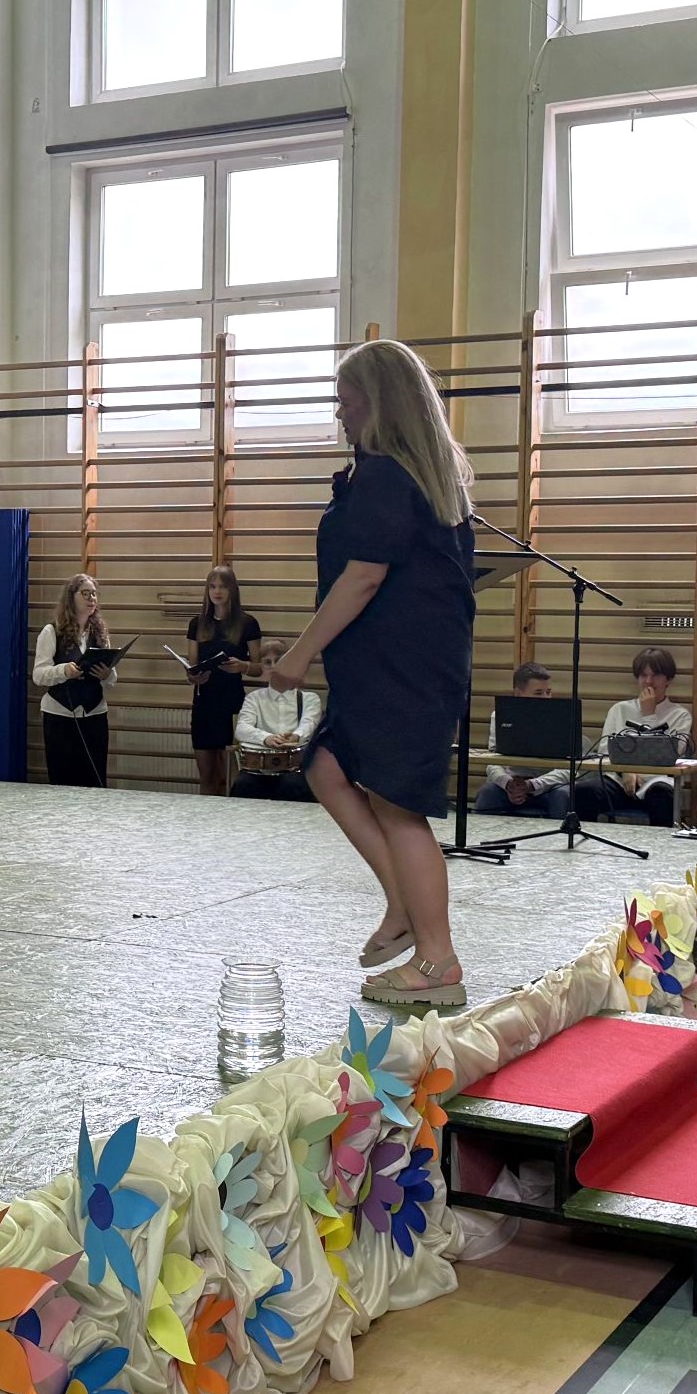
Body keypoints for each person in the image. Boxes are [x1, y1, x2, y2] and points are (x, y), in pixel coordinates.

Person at [271, 339, 475, 1007]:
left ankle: (437, 959)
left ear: (378, 402)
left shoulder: (391, 476)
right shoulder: (405, 476)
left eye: (347, 400)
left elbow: (363, 576)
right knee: (326, 766)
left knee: (396, 804)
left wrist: (299, 653)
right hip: (386, 664)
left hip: (401, 669)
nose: (340, 412)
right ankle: (403, 904)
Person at [572, 647, 695, 827]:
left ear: (668, 679)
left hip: (656, 781)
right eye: (643, 675)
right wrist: (625, 771)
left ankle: (659, 844)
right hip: (620, 781)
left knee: (663, 796)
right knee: (584, 791)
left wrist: (648, 714)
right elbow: (605, 751)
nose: (649, 681)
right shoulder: (619, 709)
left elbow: (667, 755)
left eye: (655, 675)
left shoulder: (680, 715)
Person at [184, 564, 262, 795]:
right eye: (212, 586)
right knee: (207, 775)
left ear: (232, 590)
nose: (217, 591)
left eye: (223, 586)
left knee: (229, 776)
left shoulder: (247, 623)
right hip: (204, 703)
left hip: (232, 703)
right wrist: (194, 676)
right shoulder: (197, 623)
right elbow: (191, 668)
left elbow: (259, 668)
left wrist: (243, 666)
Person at [33, 574, 116, 788]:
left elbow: (112, 677)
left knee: (94, 780)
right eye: (85, 593)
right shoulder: (52, 631)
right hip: (60, 716)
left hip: (95, 714)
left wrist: (107, 674)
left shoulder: (100, 633)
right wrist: (64, 671)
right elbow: (39, 675)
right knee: (63, 780)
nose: (91, 598)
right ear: (71, 597)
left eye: (94, 594)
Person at [474, 662, 571, 819]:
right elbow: (492, 761)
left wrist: (533, 785)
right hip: (511, 785)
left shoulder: (562, 719)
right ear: (518, 694)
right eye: (538, 693)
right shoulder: (499, 716)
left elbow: (569, 769)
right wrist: (508, 784)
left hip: (548, 787)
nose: (545, 698)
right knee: (487, 794)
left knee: (562, 796)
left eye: (548, 692)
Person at [231, 639, 320, 802]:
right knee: (243, 785)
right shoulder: (253, 698)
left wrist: (296, 736)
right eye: (267, 662)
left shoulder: (309, 699)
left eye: (278, 661)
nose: (273, 666)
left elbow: (309, 724)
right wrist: (267, 738)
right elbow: (241, 729)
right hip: (259, 770)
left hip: (295, 769)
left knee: (292, 786)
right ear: (262, 667)